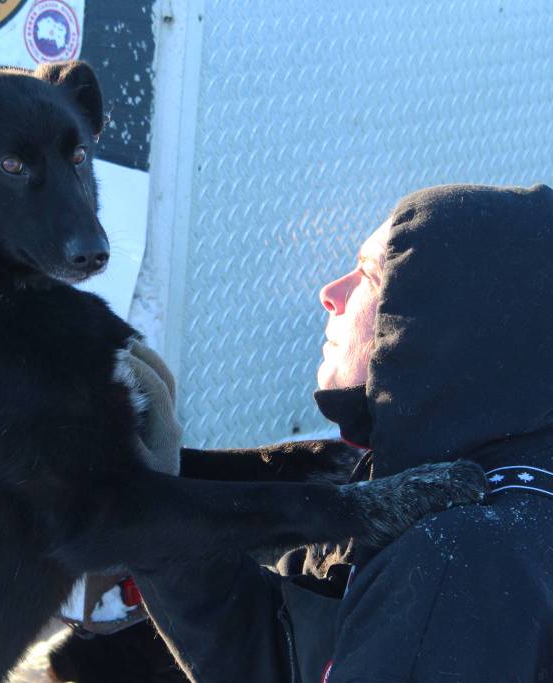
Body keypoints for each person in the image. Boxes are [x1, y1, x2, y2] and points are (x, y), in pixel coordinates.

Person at [59, 183, 553, 682]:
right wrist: (160, 511)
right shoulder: (448, 475)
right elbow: (289, 658)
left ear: (446, 317)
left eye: (368, 275)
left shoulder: (455, 565)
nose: (330, 293)